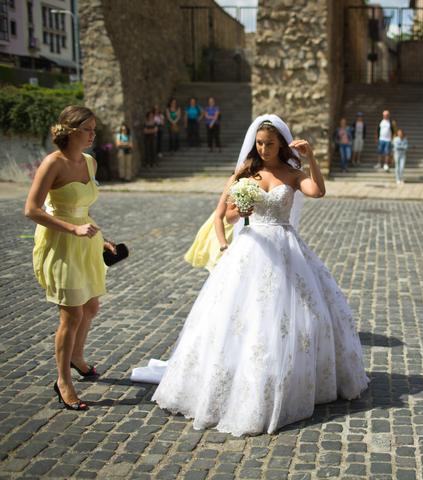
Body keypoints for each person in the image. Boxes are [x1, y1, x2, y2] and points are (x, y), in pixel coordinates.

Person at [137, 115, 369, 436]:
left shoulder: (292, 173)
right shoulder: (246, 173)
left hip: (287, 248)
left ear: (281, 144)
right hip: (251, 248)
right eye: (260, 143)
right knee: (240, 317)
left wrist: (312, 158)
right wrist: (238, 216)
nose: (263, 148)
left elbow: (317, 191)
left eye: (269, 144)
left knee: (299, 316)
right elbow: (228, 215)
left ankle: (291, 380)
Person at [24, 105, 116, 411]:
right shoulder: (53, 163)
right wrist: (73, 229)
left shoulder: (90, 162)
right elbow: (31, 209)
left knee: (91, 306)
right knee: (72, 314)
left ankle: (77, 357)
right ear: (71, 131)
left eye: (94, 130)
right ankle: (63, 381)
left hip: (85, 241)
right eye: (87, 130)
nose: (92, 135)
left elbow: (84, 209)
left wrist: (101, 238)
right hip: (60, 241)